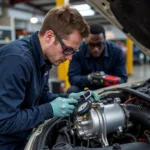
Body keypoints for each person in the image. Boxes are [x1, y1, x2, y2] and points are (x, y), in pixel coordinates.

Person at [0, 5, 100, 150]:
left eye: (74, 51)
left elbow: (41, 97)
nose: (70, 57)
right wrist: (49, 110)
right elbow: (4, 121)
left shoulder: (42, 59)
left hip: (21, 136)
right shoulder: (17, 61)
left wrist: (71, 99)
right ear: (49, 36)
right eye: (67, 49)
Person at [67, 24, 128, 93]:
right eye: (91, 45)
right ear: (86, 40)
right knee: (72, 91)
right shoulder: (78, 52)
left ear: (104, 39)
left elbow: (123, 79)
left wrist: (105, 79)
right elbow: (72, 78)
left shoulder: (116, 51)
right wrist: (89, 78)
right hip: (86, 88)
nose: (96, 49)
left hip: (109, 88)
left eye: (99, 44)